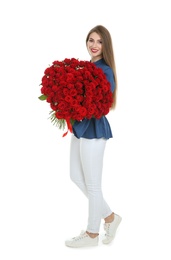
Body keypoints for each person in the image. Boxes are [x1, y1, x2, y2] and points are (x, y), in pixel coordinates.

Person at [65, 25, 122, 248]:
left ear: (105, 45)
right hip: (80, 127)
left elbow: (102, 103)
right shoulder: (86, 66)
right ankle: (109, 217)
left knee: (93, 184)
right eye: (91, 40)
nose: (94, 45)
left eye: (99, 41)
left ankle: (91, 234)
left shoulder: (105, 70)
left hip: (94, 129)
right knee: (75, 176)